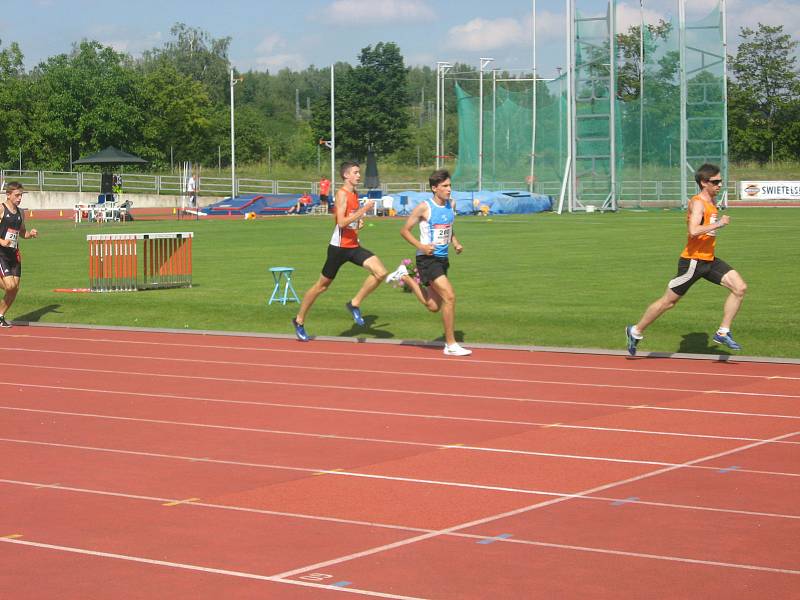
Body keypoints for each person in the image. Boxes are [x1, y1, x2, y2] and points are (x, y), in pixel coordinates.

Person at [625, 163, 747, 355]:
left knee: (739, 288)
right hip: (692, 262)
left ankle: (723, 332)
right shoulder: (698, 203)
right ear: (703, 183)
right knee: (669, 302)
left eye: (720, 181)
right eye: (715, 182)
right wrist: (720, 224)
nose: (719, 185)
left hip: (709, 260)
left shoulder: (712, 202)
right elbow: (693, 231)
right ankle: (635, 330)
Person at [292, 161, 390, 341]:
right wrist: (362, 211)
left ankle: (354, 303)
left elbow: (350, 223)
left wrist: (359, 223)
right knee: (321, 287)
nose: (359, 176)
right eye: (356, 172)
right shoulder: (342, 194)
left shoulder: (354, 193)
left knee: (381, 272)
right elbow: (341, 223)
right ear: (346, 175)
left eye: (359, 172)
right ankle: (299, 320)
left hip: (353, 246)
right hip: (338, 249)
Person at [385, 169, 472, 357]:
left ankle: (405, 276)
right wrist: (421, 246)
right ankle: (450, 344)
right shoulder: (425, 207)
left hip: (442, 259)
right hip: (427, 259)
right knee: (449, 296)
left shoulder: (451, 204)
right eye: (445, 186)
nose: (449, 190)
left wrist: (455, 242)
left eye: (450, 186)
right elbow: (405, 230)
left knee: (433, 306)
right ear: (434, 188)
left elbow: (448, 227)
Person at [0, 182, 39, 328]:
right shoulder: (1, 209)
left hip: (14, 254)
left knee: (15, 289)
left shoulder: (21, 212)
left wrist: (30, 234)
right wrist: (2, 241)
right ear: (8, 195)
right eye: (17, 195)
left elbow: (22, 232)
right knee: (10, 286)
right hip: (1, 253)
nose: (20, 198)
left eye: (21, 195)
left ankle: (0, 316)